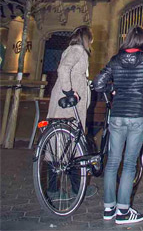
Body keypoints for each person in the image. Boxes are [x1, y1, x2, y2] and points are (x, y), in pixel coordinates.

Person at [94, 26, 143, 225]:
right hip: (137, 114)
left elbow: (97, 84)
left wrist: (114, 89)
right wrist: (142, 96)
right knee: (130, 163)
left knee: (113, 162)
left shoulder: (115, 59)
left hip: (118, 114)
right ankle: (123, 211)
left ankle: (108, 208)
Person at [46, 26, 96, 199]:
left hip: (71, 107)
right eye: (91, 38)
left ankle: (73, 187)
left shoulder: (76, 50)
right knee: (63, 145)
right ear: (85, 38)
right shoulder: (77, 50)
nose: (92, 42)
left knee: (69, 146)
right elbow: (63, 69)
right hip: (66, 106)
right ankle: (59, 189)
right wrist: (69, 91)